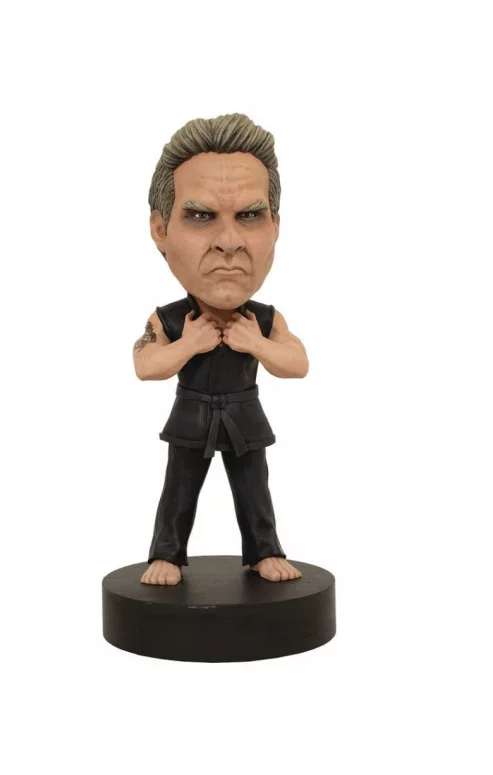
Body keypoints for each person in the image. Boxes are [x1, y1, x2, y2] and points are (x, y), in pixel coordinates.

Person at [133, 113, 309, 585]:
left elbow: (298, 364)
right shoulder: (170, 319)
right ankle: (167, 554)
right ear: (160, 229)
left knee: (254, 489)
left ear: (275, 226)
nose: (229, 243)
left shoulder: (265, 320)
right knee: (179, 489)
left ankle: (264, 551)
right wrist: (189, 345)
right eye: (200, 216)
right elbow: (145, 366)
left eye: (250, 216)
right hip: (191, 418)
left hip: (244, 418)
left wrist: (257, 344)